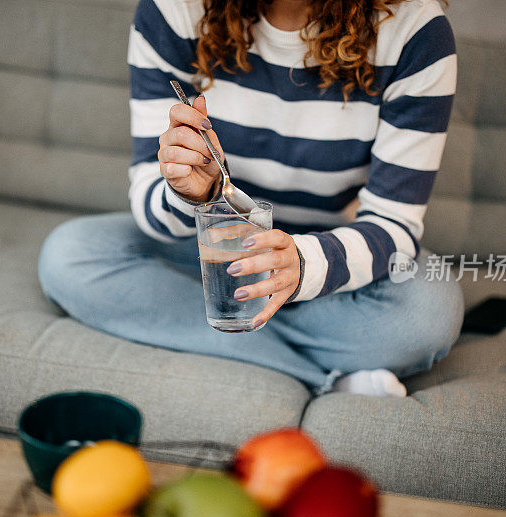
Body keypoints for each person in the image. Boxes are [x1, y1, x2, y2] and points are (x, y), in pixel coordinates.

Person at [39, 0, 463, 396]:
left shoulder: (414, 31)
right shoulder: (174, 10)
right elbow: (150, 200)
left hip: (326, 246)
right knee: (70, 255)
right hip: (210, 244)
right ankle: (322, 378)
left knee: (427, 313)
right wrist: (194, 194)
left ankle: (240, 324)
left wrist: (302, 266)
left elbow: (394, 223)